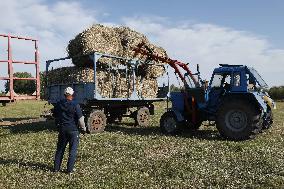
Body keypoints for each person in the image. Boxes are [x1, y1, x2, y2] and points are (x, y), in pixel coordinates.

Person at [53, 87, 86, 173]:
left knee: (60, 150)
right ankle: (69, 170)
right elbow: (80, 119)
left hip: (62, 130)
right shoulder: (76, 105)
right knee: (72, 151)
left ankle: (56, 168)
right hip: (73, 130)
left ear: (64, 95)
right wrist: (83, 129)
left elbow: (55, 115)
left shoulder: (58, 104)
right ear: (72, 95)